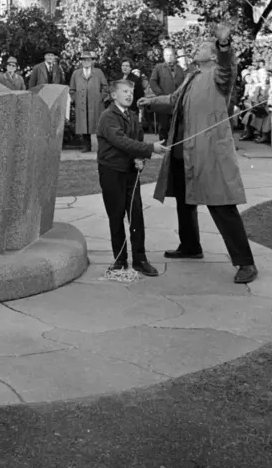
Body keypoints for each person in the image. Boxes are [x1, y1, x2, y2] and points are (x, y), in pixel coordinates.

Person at [141, 23, 258, 284]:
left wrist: (224, 44)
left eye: (203, 46)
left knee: (222, 205)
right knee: (185, 200)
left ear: (214, 55)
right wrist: (150, 102)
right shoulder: (192, 76)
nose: (196, 47)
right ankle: (191, 246)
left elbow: (228, 64)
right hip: (185, 151)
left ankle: (246, 262)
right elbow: (173, 100)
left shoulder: (220, 73)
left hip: (211, 153)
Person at [97, 78, 166, 277]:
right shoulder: (108, 117)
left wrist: (141, 158)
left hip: (130, 173)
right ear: (113, 95)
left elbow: (137, 139)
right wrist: (150, 149)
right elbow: (121, 141)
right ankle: (120, 259)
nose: (129, 95)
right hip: (112, 172)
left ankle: (140, 259)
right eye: (125, 91)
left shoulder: (133, 116)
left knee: (136, 215)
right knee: (116, 215)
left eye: (131, 91)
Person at [69, 52, 108, 155]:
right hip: (81, 104)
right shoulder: (76, 73)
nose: (86, 62)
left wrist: (101, 98)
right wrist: (75, 99)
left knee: (98, 125)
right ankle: (87, 146)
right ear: (81, 61)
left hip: (96, 104)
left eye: (88, 60)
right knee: (84, 124)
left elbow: (105, 87)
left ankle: (102, 146)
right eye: (84, 60)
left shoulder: (98, 72)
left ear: (92, 61)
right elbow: (72, 89)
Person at [148, 46, 185, 143]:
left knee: (177, 126)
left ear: (175, 56)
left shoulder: (180, 69)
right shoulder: (159, 67)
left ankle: (175, 146)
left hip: (177, 102)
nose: (169, 57)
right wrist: (160, 95)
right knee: (163, 126)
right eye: (166, 55)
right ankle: (163, 146)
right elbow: (152, 82)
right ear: (164, 56)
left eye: (171, 55)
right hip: (163, 102)